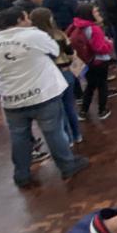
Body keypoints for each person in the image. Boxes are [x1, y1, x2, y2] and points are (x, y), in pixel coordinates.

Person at [0, 7, 89, 187]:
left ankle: (22, 174)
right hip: (42, 93)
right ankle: (67, 165)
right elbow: (55, 50)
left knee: (19, 136)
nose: (29, 21)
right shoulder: (34, 36)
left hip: (11, 97)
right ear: (19, 20)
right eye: (26, 17)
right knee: (53, 131)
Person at [30, 9, 83, 146]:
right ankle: (77, 134)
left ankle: (67, 138)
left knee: (58, 109)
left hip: (48, 75)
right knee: (69, 105)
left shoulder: (34, 39)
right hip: (65, 71)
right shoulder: (59, 35)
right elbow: (70, 53)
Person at [69, 3, 114, 121]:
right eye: (95, 12)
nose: (98, 13)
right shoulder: (94, 29)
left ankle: (83, 111)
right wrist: (109, 44)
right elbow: (100, 48)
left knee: (90, 86)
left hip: (84, 61)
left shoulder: (75, 26)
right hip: (99, 61)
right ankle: (102, 110)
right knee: (102, 85)